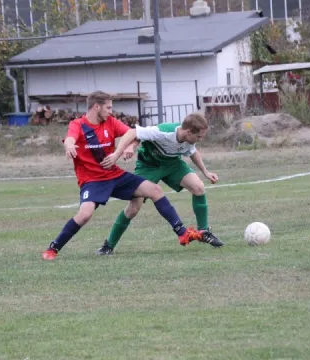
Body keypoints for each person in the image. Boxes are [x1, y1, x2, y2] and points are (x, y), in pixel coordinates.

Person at [41, 91, 203, 261]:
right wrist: (69, 146)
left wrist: (130, 147)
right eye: (108, 107)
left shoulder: (110, 122)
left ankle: (182, 233)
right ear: (97, 107)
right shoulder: (78, 124)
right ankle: (54, 248)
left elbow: (134, 134)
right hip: (92, 181)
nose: (111, 111)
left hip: (114, 175)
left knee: (155, 190)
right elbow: (70, 139)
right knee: (84, 215)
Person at [96, 112, 224, 255]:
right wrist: (120, 152)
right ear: (188, 132)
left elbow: (193, 153)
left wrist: (205, 172)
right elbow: (133, 132)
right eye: (199, 136)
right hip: (148, 166)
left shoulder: (189, 140)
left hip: (172, 164)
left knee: (198, 187)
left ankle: (203, 232)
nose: (200, 139)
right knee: (134, 207)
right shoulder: (162, 132)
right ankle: (109, 245)